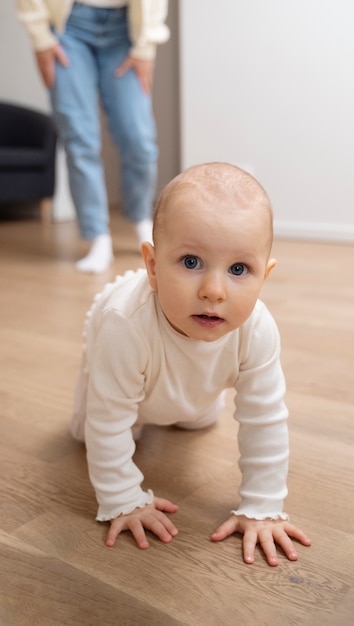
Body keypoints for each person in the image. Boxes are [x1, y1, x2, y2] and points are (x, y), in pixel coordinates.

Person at [71, 162, 311, 566]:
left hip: (180, 386)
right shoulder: (123, 326)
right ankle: (146, 412)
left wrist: (263, 503)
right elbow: (107, 422)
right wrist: (123, 498)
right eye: (191, 262)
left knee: (198, 417)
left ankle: (181, 405)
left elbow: (265, 416)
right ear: (152, 266)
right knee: (93, 430)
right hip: (116, 369)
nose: (213, 291)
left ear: (264, 278)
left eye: (239, 270)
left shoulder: (257, 328)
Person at [16, 0, 170, 273]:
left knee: (139, 139)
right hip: (67, 27)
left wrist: (146, 45)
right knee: (80, 140)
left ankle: (141, 219)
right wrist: (41, 38)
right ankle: (98, 237)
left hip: (126, 28)